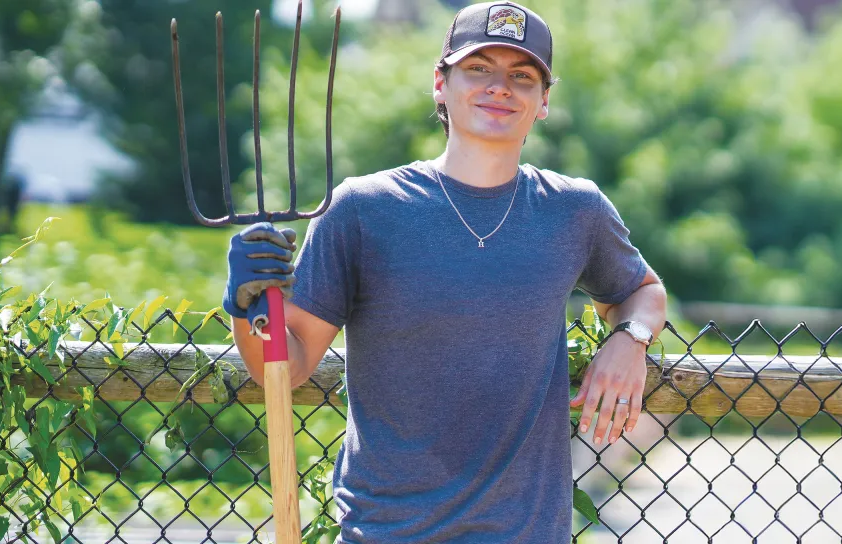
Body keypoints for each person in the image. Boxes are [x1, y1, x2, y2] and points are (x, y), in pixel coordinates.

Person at [223, 2, 667, 542]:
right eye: (479, 68)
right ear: (441, 83)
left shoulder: (575, 210)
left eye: (522, 76)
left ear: (543, 101)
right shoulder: (363, 209)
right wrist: (247, 309)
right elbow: (286, 364)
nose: (500, 87)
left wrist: (630, 338)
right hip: (386, 532)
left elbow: (642, 291)